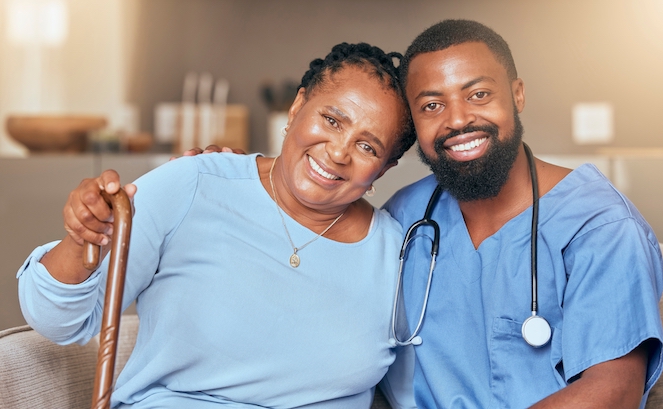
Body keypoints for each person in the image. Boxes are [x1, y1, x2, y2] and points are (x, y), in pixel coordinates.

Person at [16, 42, 418, 408]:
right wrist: (81, 239)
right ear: (297, 107)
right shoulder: (194, 183)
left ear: (385, 168)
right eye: (332, 120)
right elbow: (58, 321)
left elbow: (412, 390)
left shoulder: (398, 254)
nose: (338, 152)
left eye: (368, 146)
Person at [382, 19, 663, 408]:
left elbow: (613, 392)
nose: (458, 119)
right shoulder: (404, 217)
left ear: (517, 95)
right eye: (432, 105)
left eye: (478, 94)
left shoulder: (601, 225)